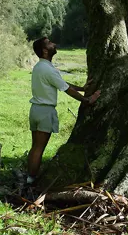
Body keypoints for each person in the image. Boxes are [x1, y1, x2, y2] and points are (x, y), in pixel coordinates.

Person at [27, 37, 100, 185]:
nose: (54, 44)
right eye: (50, 43)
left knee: (35, 147)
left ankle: (30, 177)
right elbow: (67, 90)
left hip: (36, 110)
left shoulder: (40, 67)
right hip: (45, 112)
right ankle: (31, 180)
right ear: (45, 50)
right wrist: (87, 100)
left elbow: (61, 82)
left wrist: (82, 88)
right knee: (39, 148)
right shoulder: (48, 69)